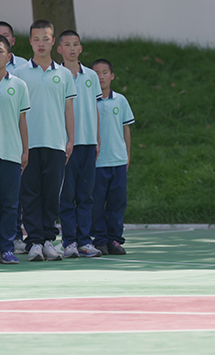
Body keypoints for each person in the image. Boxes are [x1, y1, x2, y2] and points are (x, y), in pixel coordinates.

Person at [14, 19, 76, 261]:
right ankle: (35, 242)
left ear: (53, 42)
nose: (41, 44)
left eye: (46, 39)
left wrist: (71, 139)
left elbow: (68, 109)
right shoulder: (19, 74)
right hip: (28, 144)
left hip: (55, 143)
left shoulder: (64, 74)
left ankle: (49, 240)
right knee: (29, 194)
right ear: (30, 42)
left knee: (51, 194)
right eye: (36, 39)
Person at [0, 34, 30, 265]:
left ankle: (7, 248)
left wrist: (25, 150)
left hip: (11, 152)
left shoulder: (19, 85)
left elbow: (22, 120)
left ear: (9, 56)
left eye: (0, 51)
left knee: (10, 204)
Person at [56, 30, 103, 258]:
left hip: (88, 143)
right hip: (66, 145)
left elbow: (95, 108)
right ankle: (69, 243)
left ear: (81, 48)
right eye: (67, 45)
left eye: (75, 44)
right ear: (59, 49)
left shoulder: (91, 76)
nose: (72, 49)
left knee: (86, 195)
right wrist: (66, 140)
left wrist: (97, 139)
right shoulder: (57, 75)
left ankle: (85, 241)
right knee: (67, 195)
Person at [90, 59, 134, 256]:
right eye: (96, 73)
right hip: (97, 162)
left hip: (118, 160)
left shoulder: (120, 100)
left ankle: (115, 240)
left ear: (112, 76)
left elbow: (126, 129)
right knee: (97, 203)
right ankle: (100, 240)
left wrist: (127, 155)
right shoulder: (89, 101)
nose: (101, 77)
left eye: (105, 72)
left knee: (117, 202)